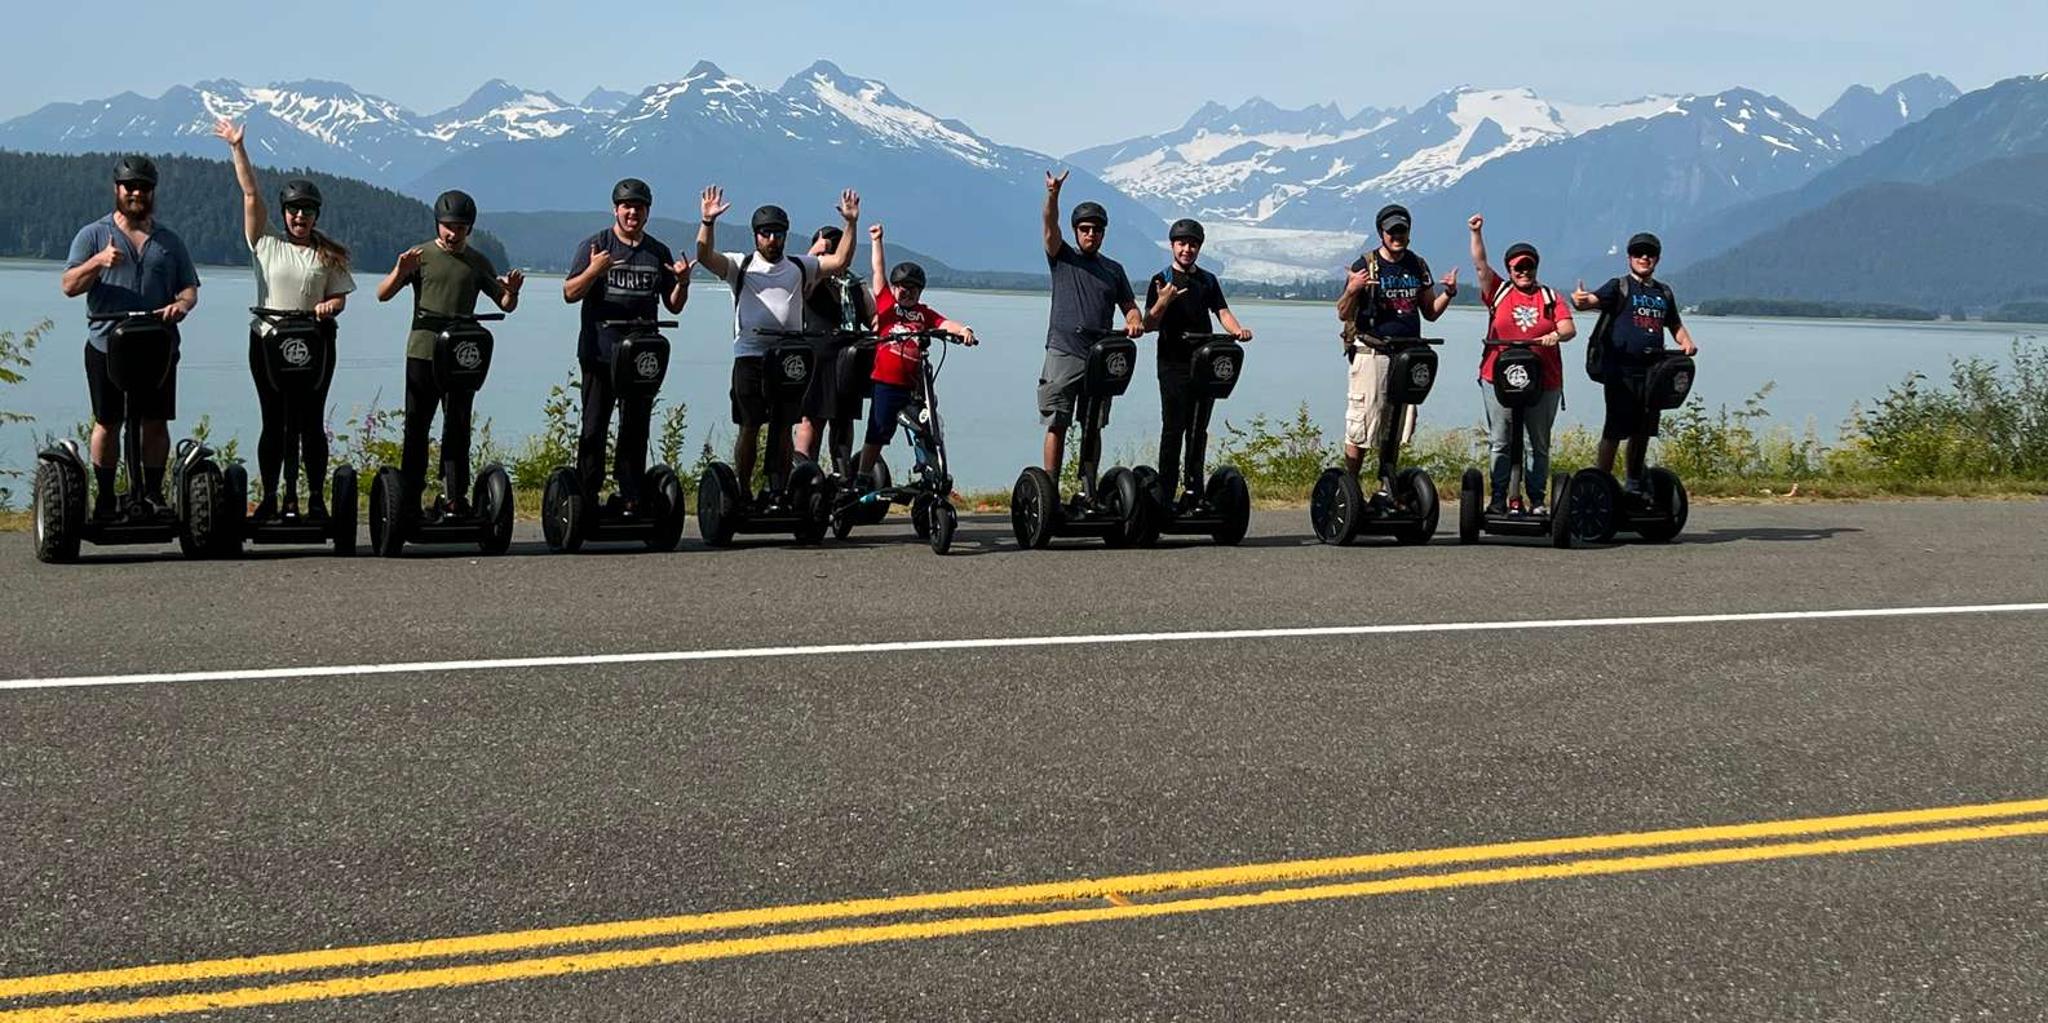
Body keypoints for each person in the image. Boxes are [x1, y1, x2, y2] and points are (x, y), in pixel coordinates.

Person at [214, 119, 356, 522]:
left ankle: (313, 498)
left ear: (315, 215)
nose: (300, 217)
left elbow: (339, 296)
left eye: (307, 211)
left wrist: (331, 306)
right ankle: (274, 497)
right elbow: (249, 193)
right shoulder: (265, 243)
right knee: (274, 420)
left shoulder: (327, 255)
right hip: (268, 340)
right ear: (284, 213)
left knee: (310, 421)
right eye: (294, 210)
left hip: (316, 341)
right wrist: (237, 147)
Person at [695, 185, 861, 500]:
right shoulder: (739, 266)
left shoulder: (799, 266)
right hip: (750, 355)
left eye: (778, 234)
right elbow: (705, 256)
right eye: (766, 234)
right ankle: (742, 491)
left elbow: (839, 262)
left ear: (785, 236)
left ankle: (778, 489)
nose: (772, 240)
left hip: (789, 358)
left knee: (784, 426)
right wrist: (708, 222)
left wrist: (850, 224)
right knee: (750, 424)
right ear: (756, 236)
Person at [59, 154, 201, 520]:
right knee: (108, 421)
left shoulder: (169, 241)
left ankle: (152, 495)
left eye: (144, 187)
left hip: (158, 347)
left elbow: (189, 289)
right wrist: (97, 262)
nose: (137, 192)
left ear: (153, 192)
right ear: (117, 189)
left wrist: (181, 306)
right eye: (130, 187)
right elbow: (68, 286)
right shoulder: (93, 234)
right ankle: (106, 498)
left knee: (155, 421)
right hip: (108, 345)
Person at [374, 190, 523, 517]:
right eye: (447, 226)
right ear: (438, 225)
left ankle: (455, 496)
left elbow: (505, 305)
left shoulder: (477, 261)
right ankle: (410, 499)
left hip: (461, 358)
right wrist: (401, 271)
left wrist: (511, 292)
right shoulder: (420, 256)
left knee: (457, 428)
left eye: (460, 227)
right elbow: (382, 294)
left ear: (469, 228)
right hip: (423, 353)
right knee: (416, 426)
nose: (453, 233)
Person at [561, 177, 692, 515]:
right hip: (600, 354)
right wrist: (593, 270)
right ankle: (587, 495)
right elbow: (570, 293)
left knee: (635, 427)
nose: (632, 212)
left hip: (641, 358)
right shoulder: (597, 245)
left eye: (639, 207)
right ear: (615, 209)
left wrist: (682, 283)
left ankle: (631, 493)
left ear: (647, 212)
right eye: (627, 206)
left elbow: (674, 305)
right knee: (594, 426)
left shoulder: (656, 251)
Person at [1335, 204, 1456, 495]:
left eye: (1401, 230)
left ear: (1409, 232)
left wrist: (1449, 294)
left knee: (1397, 424)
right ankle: (1350, 488)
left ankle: (1386, 486)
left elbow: (1430, 312)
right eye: (1392, 231)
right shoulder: (1365, 265)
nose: (1397, 236)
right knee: (1364, 421)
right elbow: (1342, 313)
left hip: (1407, 355)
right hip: (1372, 352)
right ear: (1382, 233)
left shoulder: (1417, 265)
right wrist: (1353, 289)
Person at [1570, 232, 1699, 499]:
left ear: (1657, 259)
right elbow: (1590, 301)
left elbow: (1674, 323)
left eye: (1649, 254)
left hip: (1655, 373)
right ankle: (1601, 484)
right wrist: (1580, 301)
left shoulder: (1663, 292)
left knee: (1642, 431)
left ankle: (1634, 483)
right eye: (1638, 253)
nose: (1644, 258)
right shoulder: (1619, 286)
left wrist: (1686, 342)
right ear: (1629, 257)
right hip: (1621, 372)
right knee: (1614, 429)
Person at [1467, 214, 1575, 516]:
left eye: (1529, 266)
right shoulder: (1498, 291)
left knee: (1536, 444)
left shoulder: (1550, 297)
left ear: (1536, 267)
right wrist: (1476, 233)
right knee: (1501, 440)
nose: (1524, 271)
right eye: (1518, 267)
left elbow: (1568, 328)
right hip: (1498, 376)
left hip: (1543, 379)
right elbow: (1480, 265)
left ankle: (1537, 499)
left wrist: (1555, 335)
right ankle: (1500, 497)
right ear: (1510, 270)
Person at [1143, 217, 1252, 511]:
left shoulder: (1207, 280)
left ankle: (1194, 490)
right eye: (1182, 244)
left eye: (1192, 244)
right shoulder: (1161, 279)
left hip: (1204, 362)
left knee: (1198, 428)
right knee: (1173, 427)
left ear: (1199, 248)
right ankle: (1165, 493)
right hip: (1172, 363)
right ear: (1172, 246)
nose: (1187, 249)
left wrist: (1237, 330)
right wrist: (1163, 301)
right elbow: (1149, 324)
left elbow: (1222, 311)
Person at [1039, 170, 1142, 476]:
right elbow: (1048, 225)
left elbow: (1130, 308)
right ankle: (1050, 492)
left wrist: (1134, 321)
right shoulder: (1062, 256)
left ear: (1103, 233)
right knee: (1057, 422)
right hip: (1064, 352)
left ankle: (1088, 490)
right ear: (1075, 231)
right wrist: (1053, 194)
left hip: (1100, 357)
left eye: (1096, 230)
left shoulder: (1113, 269)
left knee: (1093, 425)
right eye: (1084, 229)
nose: (1090, 234)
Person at [856, 222, 977, 481]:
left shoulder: (924, 313)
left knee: (925, 427)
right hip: (886, 384)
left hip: (914, 386)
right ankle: (863, 476)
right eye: (901, 287)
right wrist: (877, 241)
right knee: (878, 432)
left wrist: (963, 330)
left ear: (920, 291)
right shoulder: (887, 304)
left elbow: (945, 324)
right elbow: (878, 271)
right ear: (895, 287)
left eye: (913, 289)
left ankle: (928, 471)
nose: (906, 292)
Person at [795, 223, 876, 467]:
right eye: (826, 252)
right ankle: (802, 470)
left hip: (848, 359)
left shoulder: (854, 284)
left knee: (843, 420)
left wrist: (880, 330)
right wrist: (815, 250)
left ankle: (842, 474)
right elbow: (799, 274)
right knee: (812, 419)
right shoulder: (812, 280)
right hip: (817, 356)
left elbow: (872, 316)